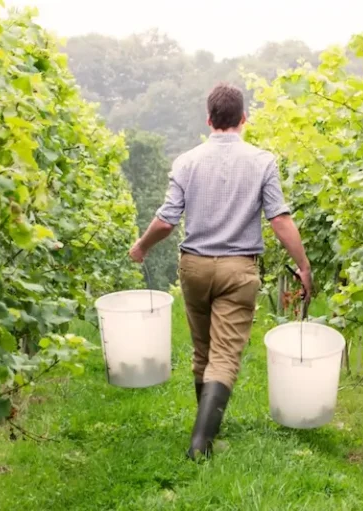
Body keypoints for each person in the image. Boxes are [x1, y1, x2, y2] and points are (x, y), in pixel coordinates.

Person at [128, 82, 313, 460]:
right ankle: (201, 444)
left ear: (209, 119)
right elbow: (279, 219)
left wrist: (142, 246)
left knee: (203, 351)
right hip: (238, 270)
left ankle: (207, 433)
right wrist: (303, 265)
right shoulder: (262, 161)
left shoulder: (186, 161)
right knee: (225, 355)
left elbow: (166, 221)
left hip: (193, 266)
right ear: (244, 119)